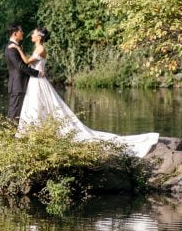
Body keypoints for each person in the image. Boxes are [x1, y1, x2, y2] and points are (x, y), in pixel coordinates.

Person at [17, 27, 159, 158]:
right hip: (36, 80)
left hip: (39, 82)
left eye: (34, 33)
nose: (31, 35)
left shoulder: (40, 48)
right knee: (37, 105)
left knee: (40, 104)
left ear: (39, 36)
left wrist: (17, 49)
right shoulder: (38, 48)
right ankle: (37, 134)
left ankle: (37, 134)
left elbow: (27, 62)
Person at [5, 23, 39, 120]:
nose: (23, 33)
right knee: (14, 114)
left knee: (18, 113)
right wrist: (36, 73)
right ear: (15, 33)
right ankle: (10, 130)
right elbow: (20, 66)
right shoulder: (11, 48)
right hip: (17, 85)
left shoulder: (16, 46)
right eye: (21, 31)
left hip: (20, 84)